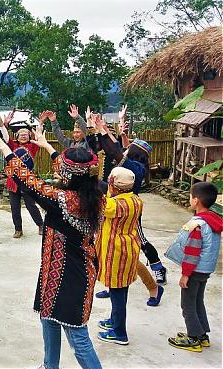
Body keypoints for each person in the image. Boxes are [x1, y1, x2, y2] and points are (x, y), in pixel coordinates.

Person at [0, 125, 103, 369]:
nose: (57, 170)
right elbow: (69, 168)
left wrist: (5, 148)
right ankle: (50, 366)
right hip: (57, 270)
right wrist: (47, 146)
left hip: (71, 276)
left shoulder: (61, 200)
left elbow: (29, 181)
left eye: (61, 170)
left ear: (68, 176)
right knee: (48, 319)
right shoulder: (95, 193)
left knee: (78, 336)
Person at [94, 115, 167, 305]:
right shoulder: (131, 162)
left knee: (133, 252)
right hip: (114, 211)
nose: (126, 149)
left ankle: (154, 284)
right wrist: (102, 130)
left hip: (126, 213)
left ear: (134, 153)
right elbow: (114, 147)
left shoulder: (135, 167)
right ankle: (114, 286)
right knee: (112, 255)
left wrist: (103, 130)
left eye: (130, 148)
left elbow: (114, 149)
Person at [166, 182, 221, 352]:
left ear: (196, 200)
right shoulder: (213, 220)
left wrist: (185, 275)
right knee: (198, 302)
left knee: (187, 305)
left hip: (194, 270)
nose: (190, 199)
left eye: (191, 197)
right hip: (205, 269)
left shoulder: (197, 224)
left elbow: (192, 252)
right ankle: (202, 334)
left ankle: (193, 338)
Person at [96, 167, 143, 345]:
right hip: (128, 249)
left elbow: (101, 203)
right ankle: (115, 321)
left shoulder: (114, 205)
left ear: (113, 184)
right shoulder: (136, 200)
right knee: (121, 290)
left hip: (117, 253)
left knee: (117, 293)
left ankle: (119, 333)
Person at [0, 110, 44, 238]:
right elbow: (5, 138)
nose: (23, 136)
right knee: (14, 207)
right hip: (13, 181)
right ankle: (18, 229)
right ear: (17, 136)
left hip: (28, 180)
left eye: (26, 134)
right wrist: (2, 125)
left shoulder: (33, 146)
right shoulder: (12, 146)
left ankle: (41, 225)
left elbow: (38, 136)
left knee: (30, 205)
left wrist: (41, 123)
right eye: (21, 134)